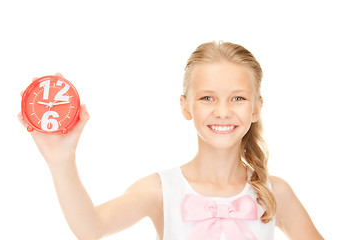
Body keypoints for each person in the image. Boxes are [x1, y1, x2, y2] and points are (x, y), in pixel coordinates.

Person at [18, 41, 323, 240]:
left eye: (238, 98)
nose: (222, 111)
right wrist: (61, 161)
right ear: (185, 105)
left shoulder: (275, 192)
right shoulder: (161, 189)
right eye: (207, 97)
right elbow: (90, 228)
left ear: (256, 107)